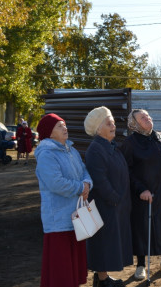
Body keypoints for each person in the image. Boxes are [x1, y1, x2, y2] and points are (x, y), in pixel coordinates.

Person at [120, 109, 161, 280]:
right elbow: (127, 171)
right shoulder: (130, 143)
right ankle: (140, 265)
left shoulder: (159, 137)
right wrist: (140, 189)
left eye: (148, 116)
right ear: (134, 123)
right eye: (142, 117)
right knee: (142, 228)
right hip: (143, 194)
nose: (148, 119)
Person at [34, 113, 92, 287]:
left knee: (73, 268)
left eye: (64, 124)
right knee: (61, 270)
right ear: (49, 133)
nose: (64, 128)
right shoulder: (46, 154)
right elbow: (56, 183)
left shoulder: (71, 150)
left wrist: (88, 183)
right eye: (59, 126)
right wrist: (81, 188)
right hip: (58, 219)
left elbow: (84, 171)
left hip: (76, 215)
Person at [83, 106, 132, 287]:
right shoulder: (96, 149)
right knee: (103, 243)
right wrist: (115, 198)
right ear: (98, 129)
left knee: (109, 244)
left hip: (116, 205)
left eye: (113, 122)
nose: (113, 125)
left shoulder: (111, 147)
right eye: (108, 123)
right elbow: (100, 179)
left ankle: (102, 277)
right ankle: (102, 280)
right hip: (106, 206)